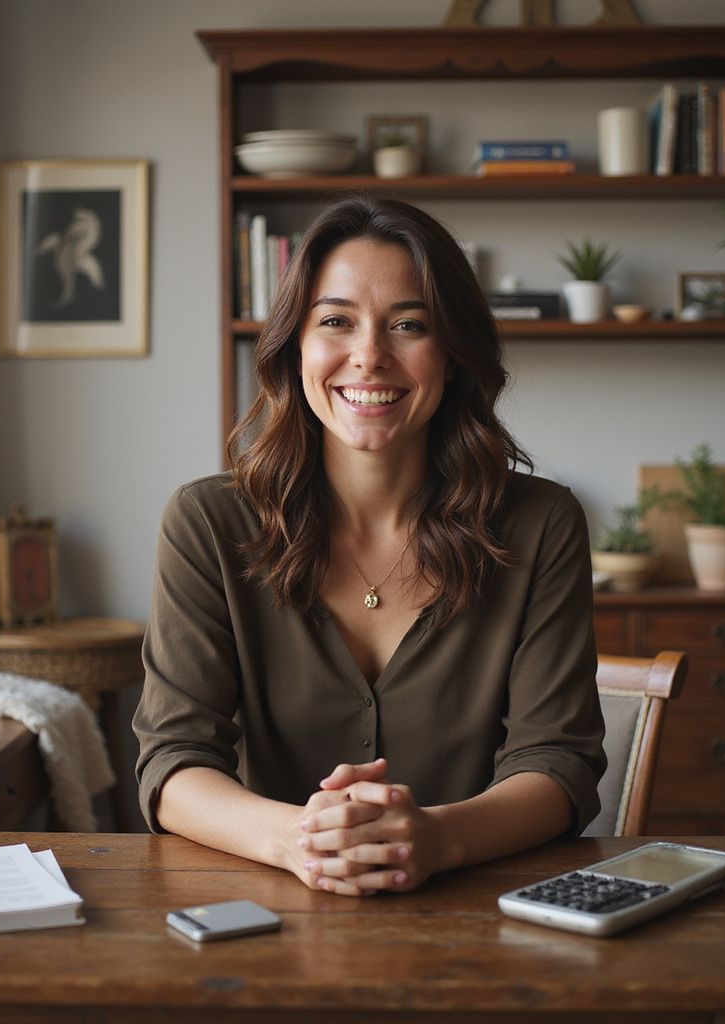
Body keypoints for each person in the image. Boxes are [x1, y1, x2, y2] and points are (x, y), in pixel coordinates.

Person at [133, 194, 605, 897]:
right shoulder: (207, 522)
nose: (369, 356)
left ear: (452, 353)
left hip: (482, 913)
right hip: (267, 913)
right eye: (336, 322)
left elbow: (557, 762)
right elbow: (173, 762)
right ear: (296, 347)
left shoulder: (542, 523)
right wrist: (300, 843)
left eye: (408, 325)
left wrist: (439, 838)